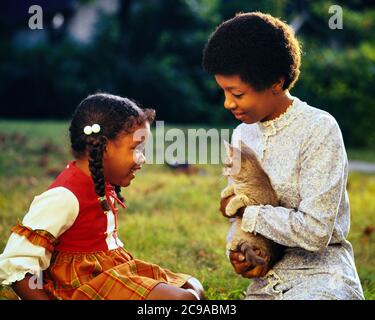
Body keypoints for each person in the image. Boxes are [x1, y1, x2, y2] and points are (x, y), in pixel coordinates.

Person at [202, 11, 364, 300]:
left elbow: (316, 232)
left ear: (276, 82)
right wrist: (244, 252)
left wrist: (248, 213)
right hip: (270, 279)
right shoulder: (242, 134)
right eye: (223, 92)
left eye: (237, 94)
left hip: (324, 276)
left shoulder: (319, 128)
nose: (228, 103)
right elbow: (240, 216)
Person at [0, 93, 204, 300]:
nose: (142, 159)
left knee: (194, 287)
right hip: (82, 287)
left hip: (112, 271)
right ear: (103, 146)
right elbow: (17, 261)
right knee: (183, 300)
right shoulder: (63, 196)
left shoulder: (103, 183)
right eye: (136, 149)